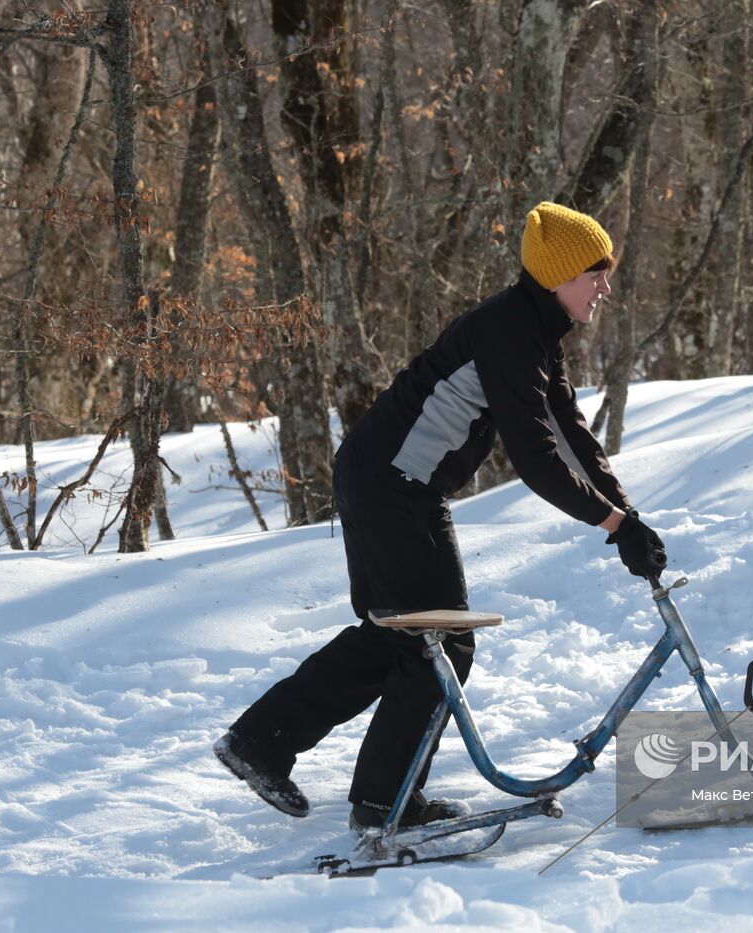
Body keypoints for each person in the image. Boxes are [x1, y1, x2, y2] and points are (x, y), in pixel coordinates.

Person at [215, 202, 667, 832]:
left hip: (390, 482)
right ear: (560, 274)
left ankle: (271, 746)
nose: (606, 287)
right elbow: (536, 458)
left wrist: (628, 515)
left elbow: (573, 433)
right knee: (444, 640)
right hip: (394, 487)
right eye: (596, 273)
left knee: (400, 635)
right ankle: (381, 801)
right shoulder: (509, 333)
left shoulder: (533, 334)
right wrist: (613, 526)